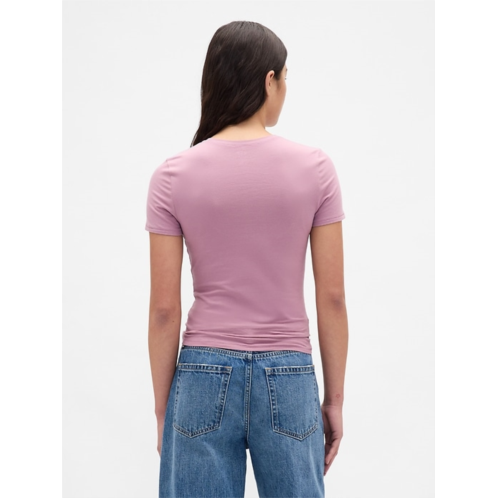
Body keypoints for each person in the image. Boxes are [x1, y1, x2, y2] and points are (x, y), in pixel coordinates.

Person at [145, 20, 349, 498]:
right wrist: (334, 401)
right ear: (268, 80)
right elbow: (333, 298)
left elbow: (164, 310)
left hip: (201, 374)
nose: (285, 90)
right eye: (286, 78)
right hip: (290, 374)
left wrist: (164, 409)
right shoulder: (315, 169)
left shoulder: (172, 176)